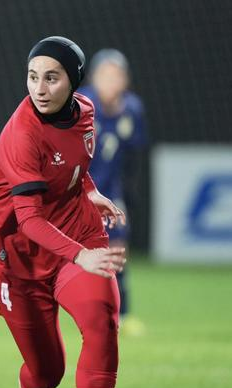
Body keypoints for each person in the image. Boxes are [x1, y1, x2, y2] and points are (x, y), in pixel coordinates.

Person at [0, 36, 127, 388]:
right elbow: (29, 220)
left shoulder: (86, 111)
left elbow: (76, 165)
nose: (40, 89)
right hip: (21, 259)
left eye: (51, 78)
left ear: (74, 81)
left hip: (78, 235)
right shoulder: (20, 134)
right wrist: (81, 256)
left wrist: (90, 191)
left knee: (102, 322)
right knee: (47, 372)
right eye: (33, 77)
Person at [80, 49, 148, 336]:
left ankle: (123, 313)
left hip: (110, 191)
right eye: (105, 75)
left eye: (116, 75)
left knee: (117, 249)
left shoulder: (132, 109)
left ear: (126, 80)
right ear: (94, 78)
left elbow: (133, 155)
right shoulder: (81, 105)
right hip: (78, 190)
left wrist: (129, 193)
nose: (111, 81)